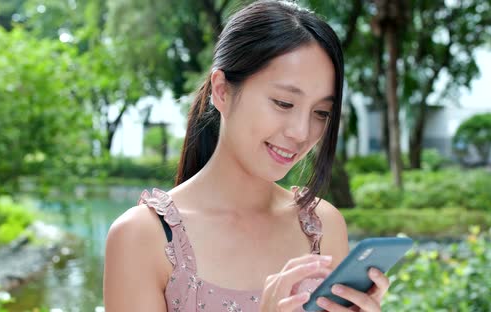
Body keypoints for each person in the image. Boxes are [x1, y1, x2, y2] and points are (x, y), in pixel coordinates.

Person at [103, 1, 391, 311]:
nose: (301, 131)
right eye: (283, 103)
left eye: (321, 112)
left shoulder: (324, 226)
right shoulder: (143, 237)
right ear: (222, 91)